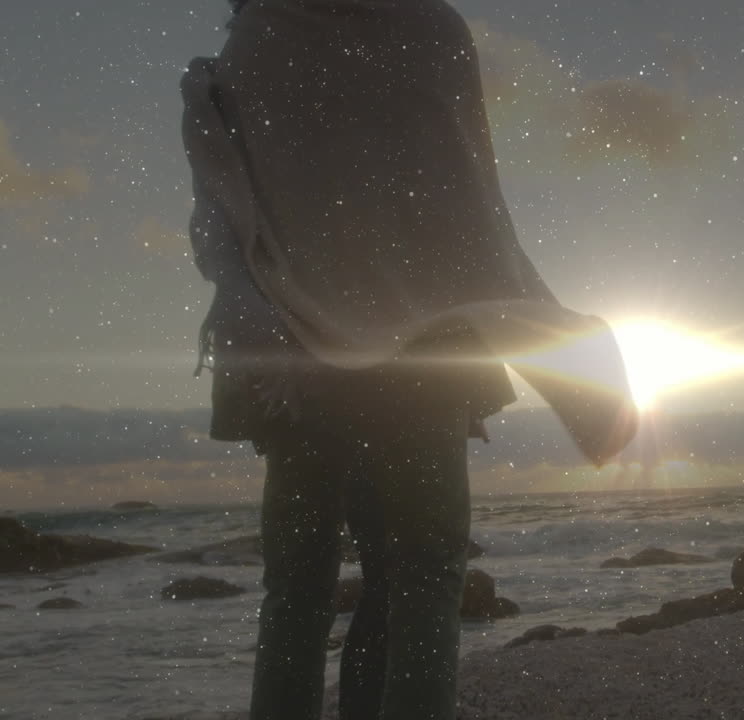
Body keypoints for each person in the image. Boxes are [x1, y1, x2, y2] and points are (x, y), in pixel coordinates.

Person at [180, 1, 637, 718]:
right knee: (422, 577)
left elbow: (224, 207)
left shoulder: (259, 37)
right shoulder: (432, 30)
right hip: (428, 349)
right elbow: (474, 213)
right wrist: (541, 331)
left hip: (296, 344)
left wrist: (246, 304)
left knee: (299, 588)